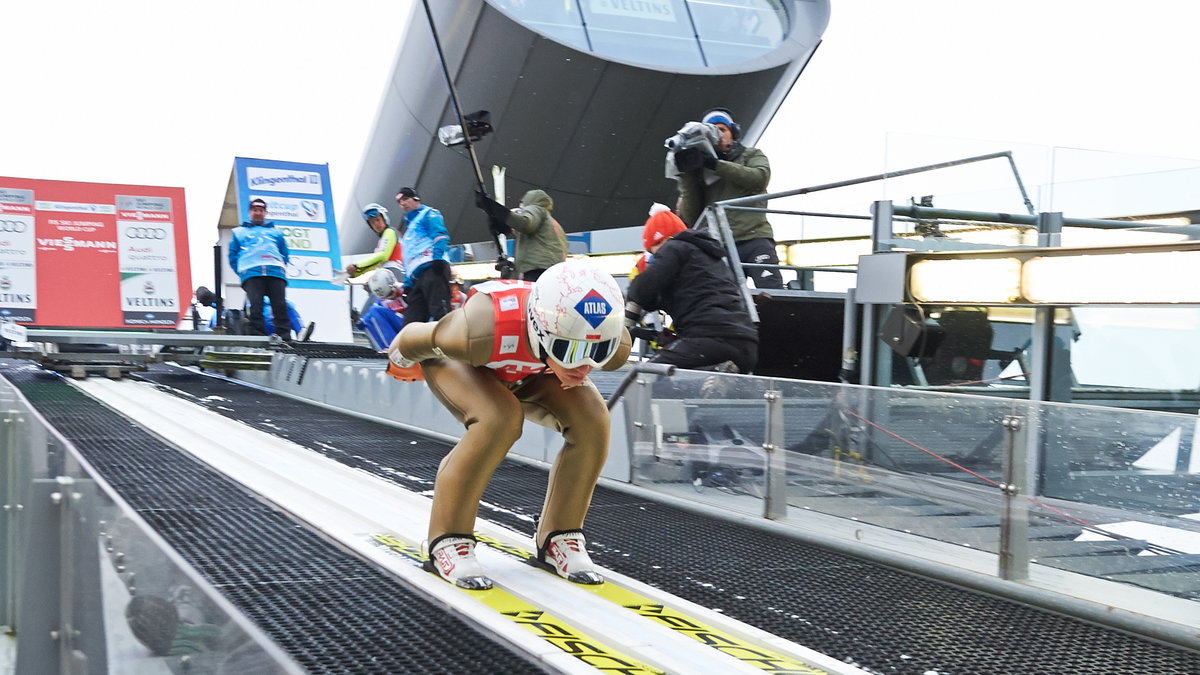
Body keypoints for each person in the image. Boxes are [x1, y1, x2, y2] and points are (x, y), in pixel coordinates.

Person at [386, 259, 632, 590]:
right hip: (467, 363)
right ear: (541, 330)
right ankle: (448, 537)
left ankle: (560, 535)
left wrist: (568, 355)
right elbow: (421, 335)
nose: (585, 366)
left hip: (534, 368)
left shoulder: (609, 338)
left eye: (598, 352)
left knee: (593, 417)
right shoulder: (478, 328)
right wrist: (399, 361)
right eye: (571, 349)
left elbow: (582, 352)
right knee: (499, 419)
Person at [625, 204, 758, 374]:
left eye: (654, 251)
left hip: (709, 339)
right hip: (746, 345)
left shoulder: (674, 247)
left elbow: (642, 289)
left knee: (645, 376)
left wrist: (627, 322)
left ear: (663, 240)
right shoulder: (711, 259)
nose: (654, 258)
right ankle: (715, 372)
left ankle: (715, 371)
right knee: (690, 384)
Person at [675, 108, 783, 289]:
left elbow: (759, 178)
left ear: (733, 133)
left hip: (755, 237)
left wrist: (716, 164)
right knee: (728, 302)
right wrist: (687, 176)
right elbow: (691, 217)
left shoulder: (751, 155)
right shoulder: (702, 172)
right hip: (722, 247)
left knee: (772, 293)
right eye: (713, 131)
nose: (719, 135)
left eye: (722, 130)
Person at [227, 198, 294, 339]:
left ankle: (285, 336)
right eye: (255, 210)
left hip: (275, 272)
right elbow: (232, 255)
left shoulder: (276, 232)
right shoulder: (239, 232)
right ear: (250, 212)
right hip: (252, 273)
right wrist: (243, 273)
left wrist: (279, 267)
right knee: (256, 307)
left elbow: (285, 253)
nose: (258, 213)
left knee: (280, 305)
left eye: (261, 211)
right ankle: (258, 336)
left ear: (265, 213)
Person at [475, 189, 568, 281]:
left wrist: (492, 207)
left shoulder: (537, 209)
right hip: (554, 274)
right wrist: (511, 271)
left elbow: (525, 223)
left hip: (537, 273)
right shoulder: (553, 226)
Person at [394, 187, 453, 324]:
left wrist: (437, 258)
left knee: (440, 312)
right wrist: (408, 284)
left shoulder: (429, 213)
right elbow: (408, 260)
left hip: (432, 268)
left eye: (405, 199)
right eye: (399, 202)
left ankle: (447, 344)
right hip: (416, 277)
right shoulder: (408, 231)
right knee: (411, 322)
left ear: (416, 199)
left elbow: (440, 235)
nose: (402, 204)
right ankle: (413, 345)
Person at [346, 203, 404, 281]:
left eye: (378, 219)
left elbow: (383, 256)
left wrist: (357, 266)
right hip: (388, 274)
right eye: (372, 222)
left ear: (384, 219)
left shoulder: (389, 231)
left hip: (393, 273)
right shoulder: (382, 240)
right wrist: (354, 274)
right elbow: (376, 265)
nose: (376, 224)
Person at [359, 269, 407, 351]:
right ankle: (381, 350)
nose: (390, 298)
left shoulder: (406, 290)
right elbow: (368, 319)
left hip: (412, 325)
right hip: (399, 328)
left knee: (375, 310)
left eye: (391, 294)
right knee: (369, 319)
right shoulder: (382, 301)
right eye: (386, 296)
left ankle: (391, 348)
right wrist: (358, 322)